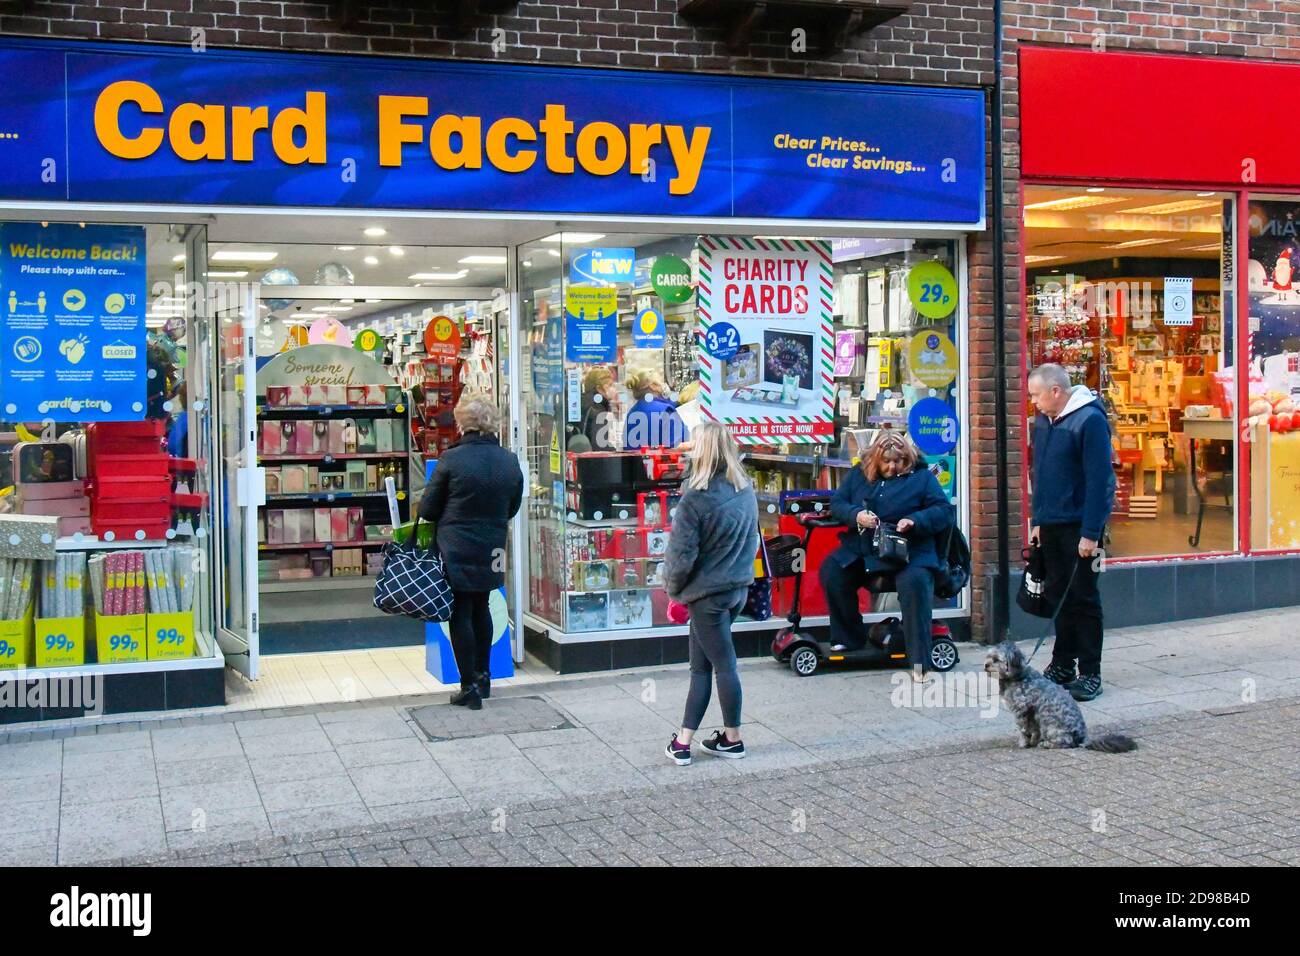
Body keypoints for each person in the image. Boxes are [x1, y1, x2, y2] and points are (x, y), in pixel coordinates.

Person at [820, 431, 953, 683]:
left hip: (911, 552)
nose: (893, 467)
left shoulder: (923, 477)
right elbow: (837, 503)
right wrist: (856, 514)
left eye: (899, 461)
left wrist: (914, 520)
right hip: (865, 548)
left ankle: (919, 661)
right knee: (833, 571)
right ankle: (848, 638)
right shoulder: (860, 475)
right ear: (875, 460)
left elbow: (944, 511)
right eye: (887, 462)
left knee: (915, 584)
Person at [419, 391, 524, 710]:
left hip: (456, 546)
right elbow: (513, 505)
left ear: (462, 422)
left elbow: (429, 507)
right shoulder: (508, 460)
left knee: (460, 611)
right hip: (492, 545)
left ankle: (469, 687)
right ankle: (485, 677)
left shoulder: (452, 459)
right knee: (483, 607)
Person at [662, 421, 759, 766]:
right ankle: (689, 740)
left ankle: (728, 738)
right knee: (707, 666)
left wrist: (673, 592)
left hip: (707, 596)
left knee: (718, 667)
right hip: (736, 591)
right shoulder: (745, 490)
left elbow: (680, 558)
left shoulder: (695, 500)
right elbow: (753, 542)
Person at [1027, 362, 1116, 702]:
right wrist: (1037, 521)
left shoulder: (1090, 421)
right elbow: (1041, 474)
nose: (1033, 401)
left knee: (1084, 598)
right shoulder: (1045, 421)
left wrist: (1091, 532)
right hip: (1051, 524)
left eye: (1036, 395)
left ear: (1055, 391)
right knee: (1057, 594)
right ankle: (1062, 663)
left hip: (1080, 526)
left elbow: (1100, 481)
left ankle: (1090, 672)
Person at [623, 368, 688, 449]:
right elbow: (677, 446)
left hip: (634, 461)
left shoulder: (632, 412)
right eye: (661, 381)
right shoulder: (665, 410)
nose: (664, 384)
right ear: (653, 386)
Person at [569, 365, 619, 452]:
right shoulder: (598, 411)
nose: (614, 389)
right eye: (610, 385)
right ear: (600, 389)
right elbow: (601, 446)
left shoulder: (584, 403)